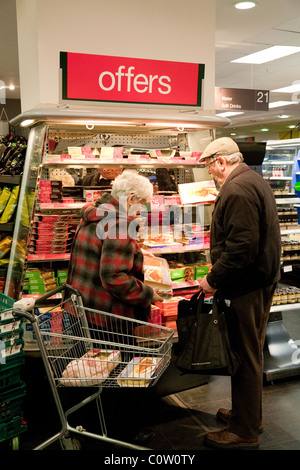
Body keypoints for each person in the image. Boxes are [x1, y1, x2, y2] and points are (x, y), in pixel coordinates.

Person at [198, 137, 281, 449]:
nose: (211, 174)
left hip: (247, 285)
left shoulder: (236, 188)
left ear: (222, 161)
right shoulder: (253, 180)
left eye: (211, 168)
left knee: (244, 357)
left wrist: (212, 279)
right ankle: (248, 414)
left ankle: (244, 431)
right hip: (260, 281)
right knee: (251, 352)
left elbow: (241, 248)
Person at [67, 169, 162, 321]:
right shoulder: (120, 225)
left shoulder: (95, 213)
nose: (141, 211)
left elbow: (99, 252)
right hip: (106, 316)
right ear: (131, 199)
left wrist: (135, 252)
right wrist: (148, 294)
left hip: (81, 307)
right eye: (142, 204)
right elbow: (114, 277)